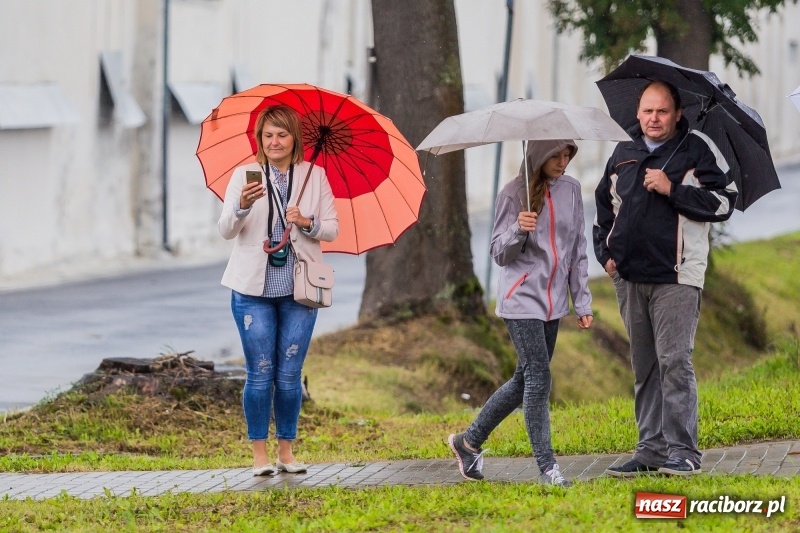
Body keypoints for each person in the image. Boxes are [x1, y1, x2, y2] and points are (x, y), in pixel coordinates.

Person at [594, 80, 738, 477]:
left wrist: (671, 188)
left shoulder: (697, 149)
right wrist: (605, 255)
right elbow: (604, 206)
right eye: (647, 111)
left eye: (661, 111)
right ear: (637, 114)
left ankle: (684, 452)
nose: (653, 119)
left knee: (674, 361)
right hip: (630, 276)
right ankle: (651, 451)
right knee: (645, 367)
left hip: (676, 274)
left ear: (677, 113)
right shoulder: (624, 151)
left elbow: (725, 200)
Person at [448, 139, 593, 487]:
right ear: (538, 155)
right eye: (555, 155)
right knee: (539, 379)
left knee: (524, 379)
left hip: (554, 301)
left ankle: (468, 442)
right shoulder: (514, 193)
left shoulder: (571, 190)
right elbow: (498, 251)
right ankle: (547, 469)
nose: (563, 162)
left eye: (567, 155)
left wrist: (582, 301)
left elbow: (577, 249)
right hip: (521, 298)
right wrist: (518, 228)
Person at [218, 105, 338, 476]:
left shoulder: (313, 177)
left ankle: (286, 452)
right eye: (268, 135)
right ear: (259, 138)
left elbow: (331, 229)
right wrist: (241, 206)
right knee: (260, 372)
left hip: (299, 290)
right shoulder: (245, 176)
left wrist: (307, 222)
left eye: (282, 134)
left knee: (289, 375)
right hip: (252, 290)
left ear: (294, 139)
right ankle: (259, 457)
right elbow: (225, 230)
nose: (274, 141)